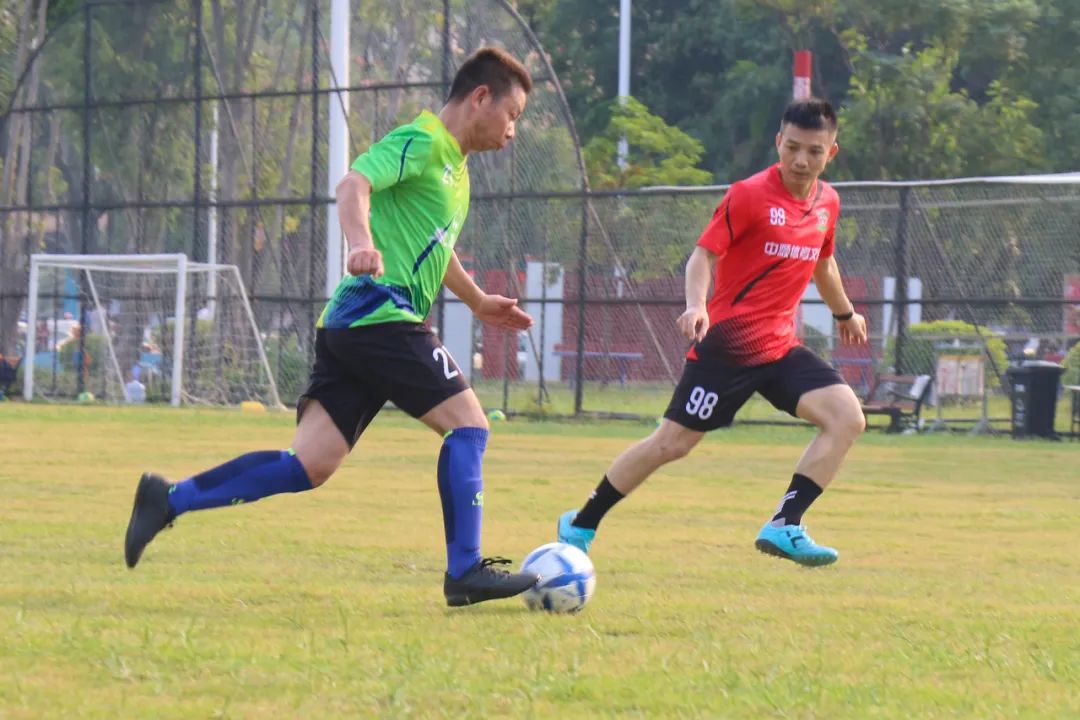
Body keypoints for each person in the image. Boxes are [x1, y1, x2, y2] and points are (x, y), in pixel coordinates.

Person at [125, 47, 542, 606]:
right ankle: (464, 572)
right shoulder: (423, 141)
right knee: (470, 426)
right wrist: (361, 243)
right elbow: (352, 185)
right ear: (481, 98)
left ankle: (167, 499)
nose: (513, 131)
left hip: (352, 326)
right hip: (380, 315)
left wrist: (476, 300)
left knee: (309, 464)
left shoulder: (456, 172)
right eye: (512, 115)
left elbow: (436, 249)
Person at [558, 98, 868, 567]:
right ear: (777, 143)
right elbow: (703, 255)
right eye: (793, 147)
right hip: (729, 347)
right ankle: (580, 523)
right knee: (671, 444)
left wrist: (844, 314)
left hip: (781, 347)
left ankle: (785, 525)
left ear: (832, 153)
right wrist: (696, 305)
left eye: (814, 151)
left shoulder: (828, 202)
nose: (802, 160)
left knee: (847, 418)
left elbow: (823, 262)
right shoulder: (748, 195)